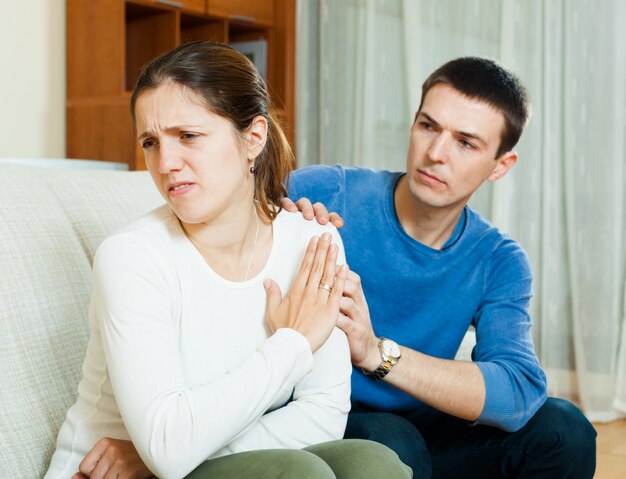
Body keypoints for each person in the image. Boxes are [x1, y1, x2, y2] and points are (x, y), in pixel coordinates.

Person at [44, 41, 411, 479]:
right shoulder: (132, 256)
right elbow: (168, 446)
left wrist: (176, 451)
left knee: (374, 464)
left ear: (253, 138)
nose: (165, 163)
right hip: (101, 474)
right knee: (298, 474)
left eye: (188, 136)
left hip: (162, 466)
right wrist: (293, 343)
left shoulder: (313, 240)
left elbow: (324, 411)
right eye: (150, 142)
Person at [283, 57, 597, 478]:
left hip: (422, 425)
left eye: (466, 143)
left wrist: (377, 352)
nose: (435, 154)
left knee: (565, 430)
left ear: (500, 166)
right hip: (321, 421)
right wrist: (274, 229)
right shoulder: (324, 191)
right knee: (394, 443)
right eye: (428, 126)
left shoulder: (498, 258)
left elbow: (518, 389)